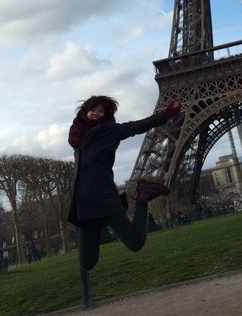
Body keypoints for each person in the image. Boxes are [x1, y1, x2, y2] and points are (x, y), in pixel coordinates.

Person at [67, 94, 181, 271]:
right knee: (87, 263)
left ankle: (143, 197)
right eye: (92, 110)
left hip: (104, 198)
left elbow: (138, 126)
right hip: (85, 203)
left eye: (100, 111)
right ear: (85, 111)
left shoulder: (111, 130)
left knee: (135, 242)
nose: (95, 114)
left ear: (106, 115)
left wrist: (165, 115)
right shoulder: (76, 134)